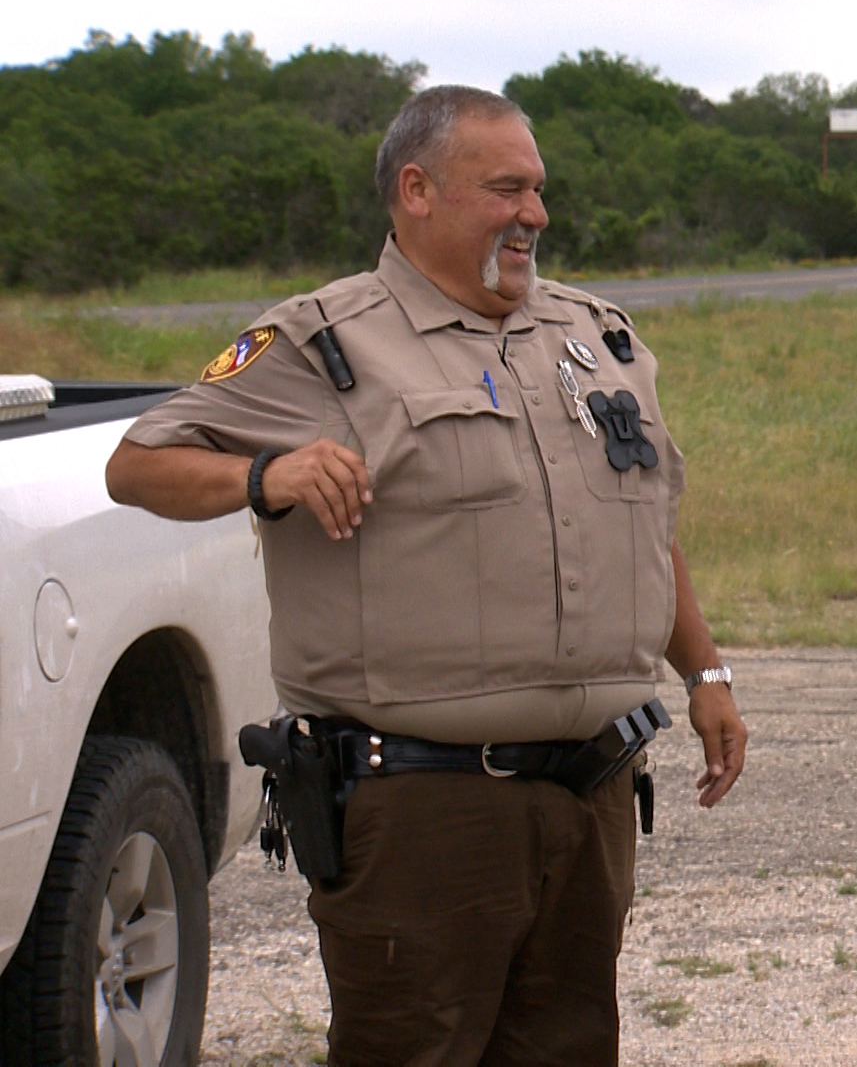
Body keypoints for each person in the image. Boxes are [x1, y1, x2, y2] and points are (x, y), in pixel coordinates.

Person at [104, 85, 747, 1065]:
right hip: (423, 810)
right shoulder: (323, 343)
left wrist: (703, 673)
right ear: (417, 190)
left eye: (537, 189)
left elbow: (642, 518)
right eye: (504, 189)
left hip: (593, 791)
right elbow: (139, 463)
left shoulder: (598, 337)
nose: (533, 213)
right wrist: (265, 473)